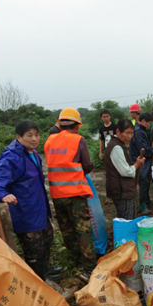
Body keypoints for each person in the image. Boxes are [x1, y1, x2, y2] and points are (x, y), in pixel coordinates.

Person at [0, 121, 58, 281]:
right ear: (19, 137)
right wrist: (2, 194)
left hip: (39, 208)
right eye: (29, 135)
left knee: (47, 240)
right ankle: (36, 281)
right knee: (34, 249)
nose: (34, 139)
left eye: (37, 135)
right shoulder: (12, 156)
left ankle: (44, 272)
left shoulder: (33, 154)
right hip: (25, 212)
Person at [44, 108, 97, 282]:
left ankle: (76, 263)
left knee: (67, 230)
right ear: (76, 126)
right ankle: (88, 268)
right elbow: (87, 166)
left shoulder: (49, 141)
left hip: (57, 195)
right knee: (83, 230)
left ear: (60, 124)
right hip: (76, 194)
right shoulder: (78, 140)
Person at [105, 119, 146, 219]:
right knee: (128, 219)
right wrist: (136, 165)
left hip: (122, 189)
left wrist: (132, 184)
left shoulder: (116, 144)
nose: (130, 136)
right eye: (127, 133)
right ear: (118, 131)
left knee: (123, 219)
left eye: (132, 133)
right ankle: (126, 235)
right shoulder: (116, 147)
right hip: (121, 191)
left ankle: (123, 234)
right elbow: (125, 171)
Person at [129, 113, 153, 215]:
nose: (149, 125)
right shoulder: (138, 132)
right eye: (149, 123)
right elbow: (144, 149)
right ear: (143, 121)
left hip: (145, 160)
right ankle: (143, 205)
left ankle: (147, 202)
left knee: (146, 181)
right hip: (141, 159)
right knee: (143, 181)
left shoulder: (141, 130)